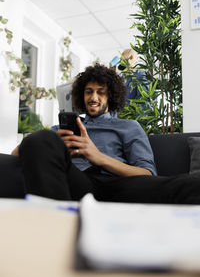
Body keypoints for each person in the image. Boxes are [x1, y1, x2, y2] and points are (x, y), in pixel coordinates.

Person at [11, 64, 200, 204]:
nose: (94, 98)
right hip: (77, 182)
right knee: (40, 138)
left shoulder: (129, 126)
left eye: (101, 92)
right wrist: (48, 147)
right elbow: (16, 156)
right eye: (89, 92)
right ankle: (54, 228)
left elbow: (147, 174)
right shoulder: (63, 130)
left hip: (118, 184)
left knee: (191, 184)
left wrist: (98, 157)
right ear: (81, 96)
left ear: (110, 96)